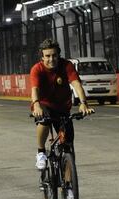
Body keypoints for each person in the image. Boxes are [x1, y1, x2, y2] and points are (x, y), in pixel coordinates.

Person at [30, 39, 94, 170]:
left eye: (54, 55)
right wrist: (36, 105)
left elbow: (76, 84)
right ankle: (41, 152)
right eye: (47, 56)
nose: (51, 59)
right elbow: (34, 89)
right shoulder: (37, 69)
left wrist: (83, 103)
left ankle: (69, 187)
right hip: (44, 105)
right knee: (44, 121)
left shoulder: (66, 65)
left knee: (68, 148)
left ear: (58, 55)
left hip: (63, 107)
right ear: (42, 57)